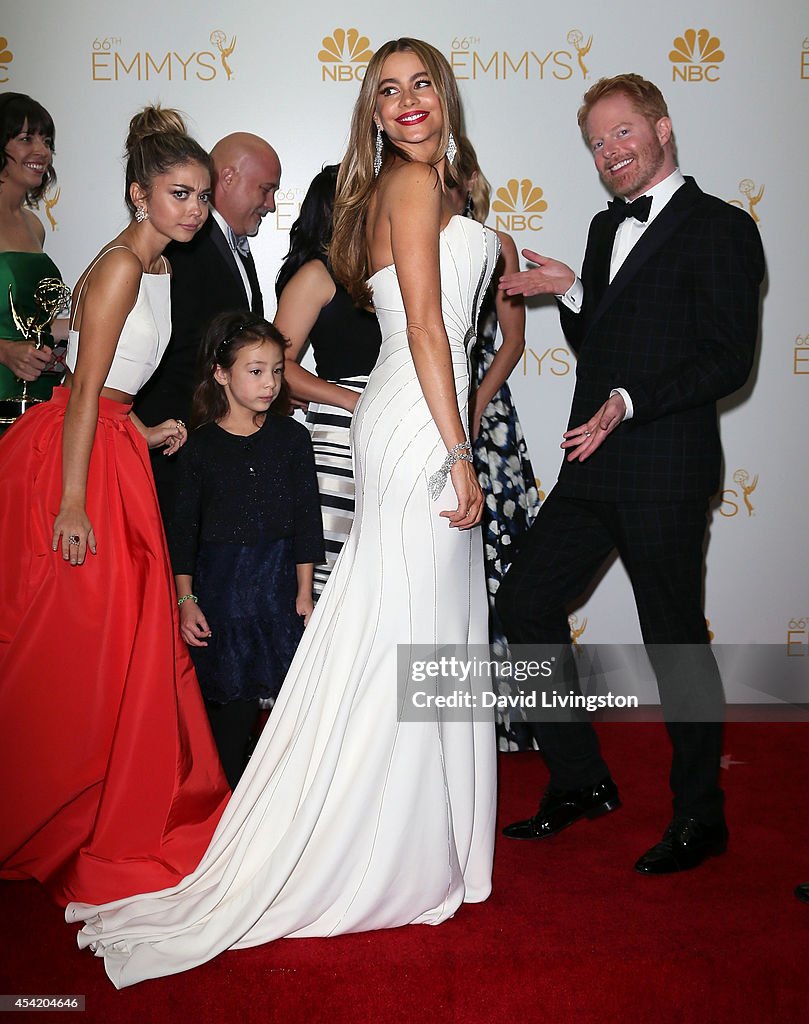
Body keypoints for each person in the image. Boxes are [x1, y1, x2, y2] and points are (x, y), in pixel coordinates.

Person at [67, 37, 497, 988]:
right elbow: (425, 327)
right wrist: (459, 449)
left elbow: (457, 326)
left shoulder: (438, 186)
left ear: (443, 92)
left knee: (426, 634)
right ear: (373, 116)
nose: (407, 101)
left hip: (421, 413)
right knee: (407, 636)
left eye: (420, 82)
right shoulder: (411, 187)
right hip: (419, 423)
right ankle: (384, 840)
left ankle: (441, 839)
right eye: (386, 92)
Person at [496, 74, 764, 874]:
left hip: (664, 469)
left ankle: (699, 817)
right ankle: (580, 781)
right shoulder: (599, 225)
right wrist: (574, 290)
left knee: (674, 643)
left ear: (661, 127)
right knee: (524, 602)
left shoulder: (720, 227)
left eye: (621, 133)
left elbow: (727, 358)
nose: (609, 152)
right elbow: (608, 341)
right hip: (592, 463)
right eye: (596, 142)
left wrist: (627, 400)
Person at [0, 106, 230, 907]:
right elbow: (85, 389)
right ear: (140, 195)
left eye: (201, 194)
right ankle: (57, 804)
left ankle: (105, 791)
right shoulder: (128, 265)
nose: (194, 208)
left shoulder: (157, 265)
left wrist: (151, 427)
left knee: (120, 641)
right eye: (177, 193)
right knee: (80, 646)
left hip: (118, 442)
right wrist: (71, 503)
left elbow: (117, 387)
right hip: (81, 459)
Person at [170, 312, 324, 788]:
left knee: (294, 702)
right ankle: (225, 811)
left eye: (277, 370)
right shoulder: (199, 449)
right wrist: (186, 599)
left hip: (279, 586)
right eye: (255, 371)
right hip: (222, 590)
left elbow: (306, 518)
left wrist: (305, 590)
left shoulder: (292, 438)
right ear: (221, 373)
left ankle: (283, 805)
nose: (269, 383)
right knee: (230, 708)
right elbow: (183, 532)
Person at [134, 131, 281, 524]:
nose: (270, 204)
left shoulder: (229, 244)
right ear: (229, 177)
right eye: (265, 189)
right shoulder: (183, 244)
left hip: (202, 443)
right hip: (173, 439)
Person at [449, 135, 539, 751]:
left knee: (505, 561)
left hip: (487, 415)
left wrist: (477, 404)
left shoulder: (497, 244)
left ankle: (520, 719)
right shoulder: (403, 237)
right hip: (428, 409)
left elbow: (511, 340)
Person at [274, 164, 381, 597]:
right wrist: (351, 400)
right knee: (330, 574)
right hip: (339, 439)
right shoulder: (316, 275)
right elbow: (276, 364)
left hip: (389, 431)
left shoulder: (386, 275)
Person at [0, 93, 68, 412]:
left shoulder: (33, 224)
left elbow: (28, 321)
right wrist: (3, 351)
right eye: (26, 138)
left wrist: (81, 326)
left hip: (40, 394)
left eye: (47, 140)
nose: (42, 151)